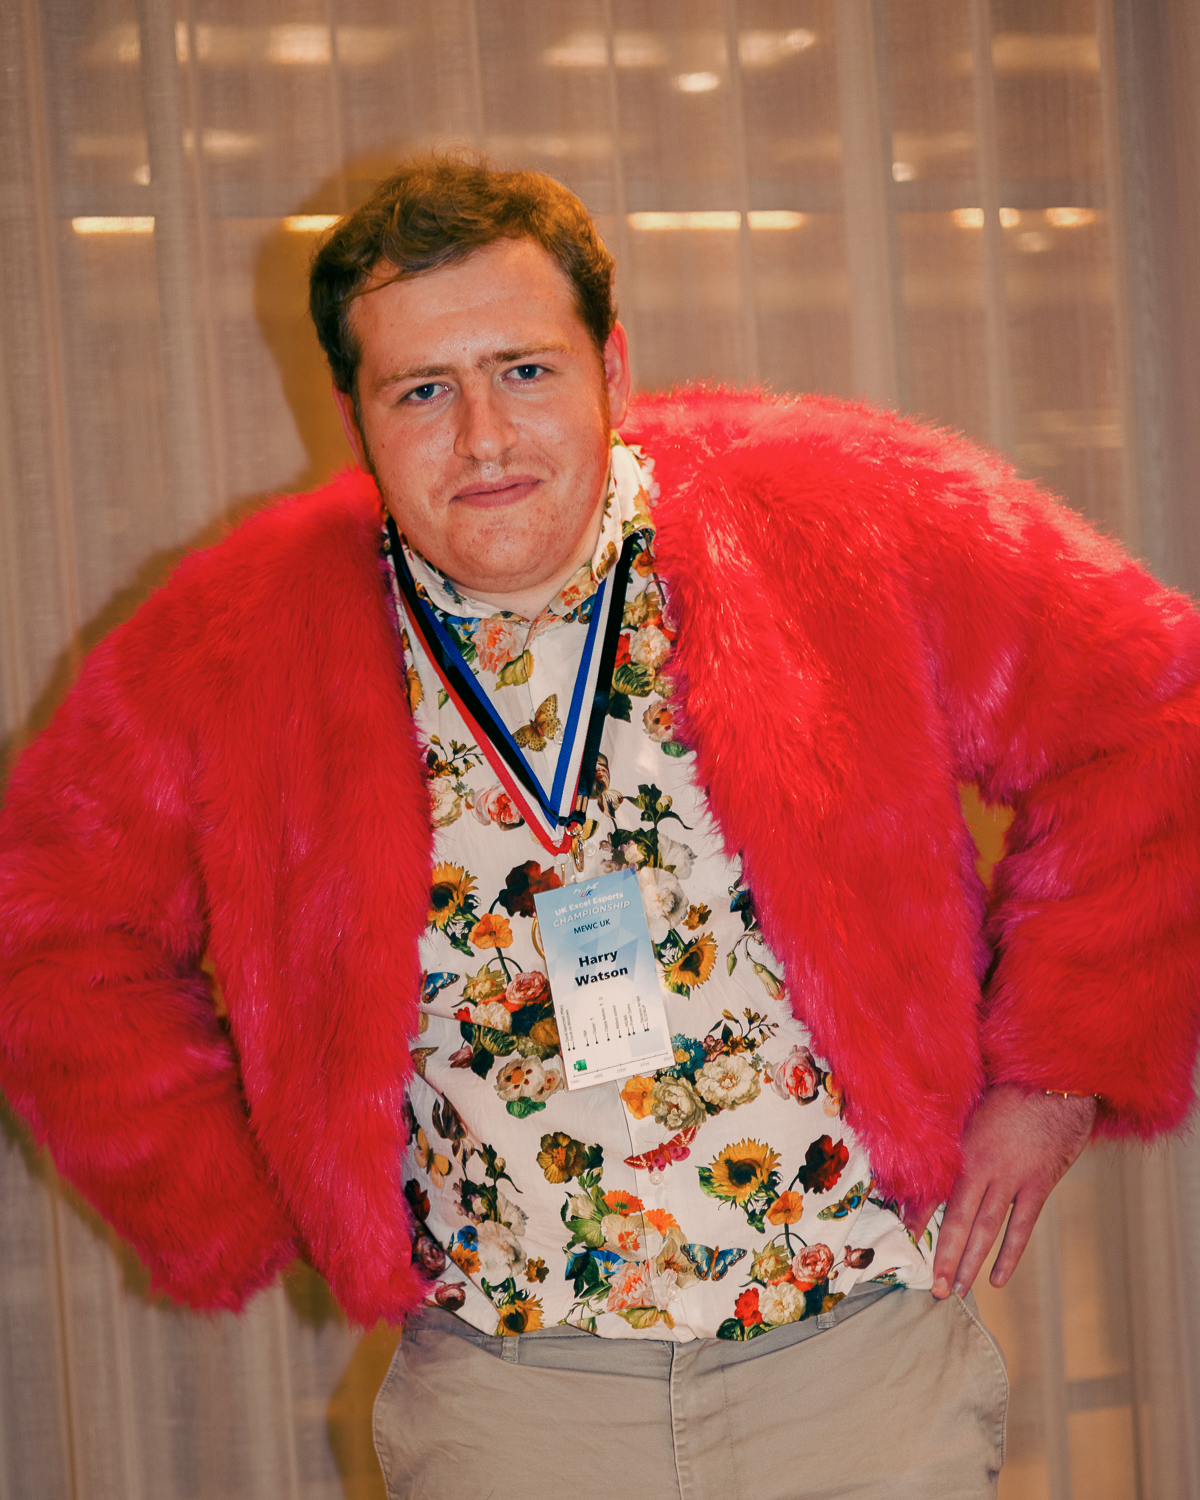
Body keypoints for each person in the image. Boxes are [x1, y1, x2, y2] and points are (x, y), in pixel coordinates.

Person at [1, 156, 1198, 1498]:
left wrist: (1054, 1077)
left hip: (857, 1367)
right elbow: (44, 920)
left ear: (612, 371)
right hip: (514, 1404)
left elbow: (1153, 720)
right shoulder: (233, 642)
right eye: (422, 391)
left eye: (524, 370)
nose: (485, 439)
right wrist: (235, 1195)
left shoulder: (847, 519)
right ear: (357, 415)